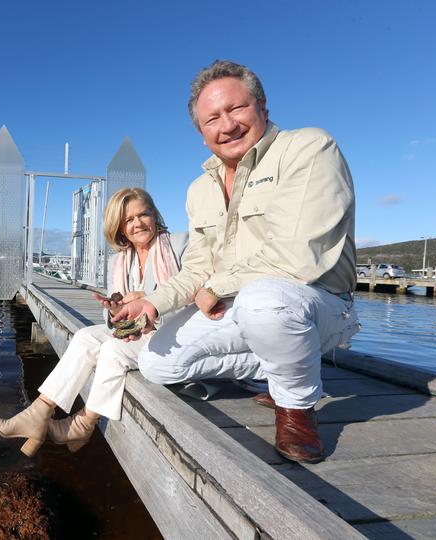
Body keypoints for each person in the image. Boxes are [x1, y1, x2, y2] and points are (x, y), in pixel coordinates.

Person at [114, 60, 360, 464]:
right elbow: (196, 267)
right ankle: (270, 367)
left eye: (237, 109)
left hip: (314, 301)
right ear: (201, 133)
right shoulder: (199, 189)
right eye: (212, 119)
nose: (226, 126)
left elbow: (296, 254)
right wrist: (152, 303)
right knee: (157, 365)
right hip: (237, 303)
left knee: (264, 301)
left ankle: (295, 405)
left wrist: (216, 289)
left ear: (263, 107)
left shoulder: (309, 149)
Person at [0, 188, 187, 456]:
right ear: (120, 228)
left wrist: (150, 300)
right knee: (85, 337)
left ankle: (83, 422)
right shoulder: (120, 261)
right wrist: (116, 309)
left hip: (173, 331)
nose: (137, 223)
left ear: (155, 214)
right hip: (136, 331)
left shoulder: (179, 245)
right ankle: (40, 411)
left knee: (112, 351)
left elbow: (194, 293)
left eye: (143, 214)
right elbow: (114, 322)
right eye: (128, 220)